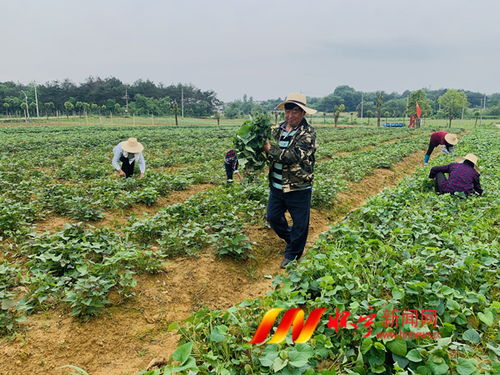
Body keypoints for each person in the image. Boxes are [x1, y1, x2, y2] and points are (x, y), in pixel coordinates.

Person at [263, 93, 317, 269]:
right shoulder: (277, 130)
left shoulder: (308, 133)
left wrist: (270, 150)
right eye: (288, 111)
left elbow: (294, 156)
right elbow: (264, 149)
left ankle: (292, 254)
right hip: (277, 185)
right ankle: (291, 239)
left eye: (295, 111)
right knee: (272, 217)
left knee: (300, 224)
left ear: (303, 113)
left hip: (298, 186)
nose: (291, 115)